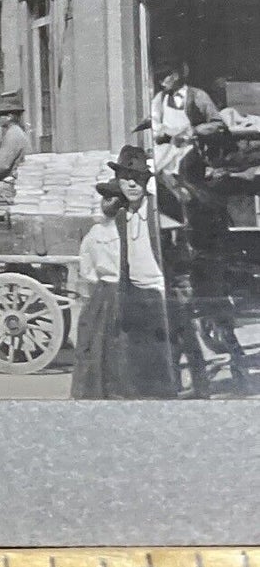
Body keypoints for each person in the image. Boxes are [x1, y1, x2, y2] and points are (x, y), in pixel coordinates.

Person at [71, 146, 175, 399]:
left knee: (166, 360)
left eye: (138, 178)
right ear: (118, 181)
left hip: (160, 293)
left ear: (146, 181)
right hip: (133, 295)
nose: (132, 184)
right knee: (136, 365)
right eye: (126, 178)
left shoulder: (156, 211)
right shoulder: (121, 217)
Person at [149, 63, 224, 176]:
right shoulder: (160, 97)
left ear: (175, 76)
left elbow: (218, 123)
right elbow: (153, 122)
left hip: (190, 151)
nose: (161, 82)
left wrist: (195, 130)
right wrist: (161, 131)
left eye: (163, 77)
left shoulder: (197, 95)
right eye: (158, 79)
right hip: (166, 152)